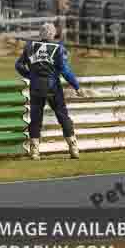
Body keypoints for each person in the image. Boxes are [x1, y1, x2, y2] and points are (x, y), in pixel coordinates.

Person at [15, 23, 82, 160]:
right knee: (63, 116)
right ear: (53, 34)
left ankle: (34, 150)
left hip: (36, 87)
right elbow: (65, 71)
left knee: (35, 119)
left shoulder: (30, 46)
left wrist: (30, 76)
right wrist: (76, 86)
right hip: (53, 87)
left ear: (40, 34)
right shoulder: (58, 48)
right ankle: (73, 147)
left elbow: (19, 65)